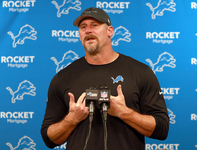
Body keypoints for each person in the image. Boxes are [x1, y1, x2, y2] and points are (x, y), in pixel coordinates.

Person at [41, 7, 169, 150]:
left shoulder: (140, 72)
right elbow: (49, 139)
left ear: (110, 31)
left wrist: (124, 112)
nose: (88, 30)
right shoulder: (63, 77)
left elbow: (162, 129)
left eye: (94, 25)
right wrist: (72, 119)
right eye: (83, 27)